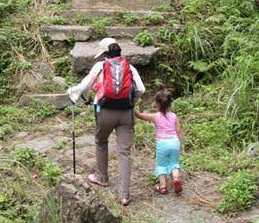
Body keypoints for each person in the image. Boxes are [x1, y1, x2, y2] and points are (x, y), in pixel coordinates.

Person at [67, 37, 146, 206]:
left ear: (104, 53)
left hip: (105, 111)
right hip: (126, 113)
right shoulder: (130, 67)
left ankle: (101, 177)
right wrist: (132, 100)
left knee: (101, 141)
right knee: (124, 152)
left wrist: (72, 92)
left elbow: (84, 86)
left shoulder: (100, 66)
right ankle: (124, 195)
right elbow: (141, 89)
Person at [135, 91, 183, 195]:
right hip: (175, 142)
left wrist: (131, 107)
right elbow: (178, 131)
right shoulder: (174, 116)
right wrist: (181, 143)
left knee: (161, 165)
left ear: (157, 104)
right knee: (174, 163)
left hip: (162, 144)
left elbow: (139, 115)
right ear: (170, 104)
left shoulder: (155, 116)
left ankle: (163, 187)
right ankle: (175, 178)